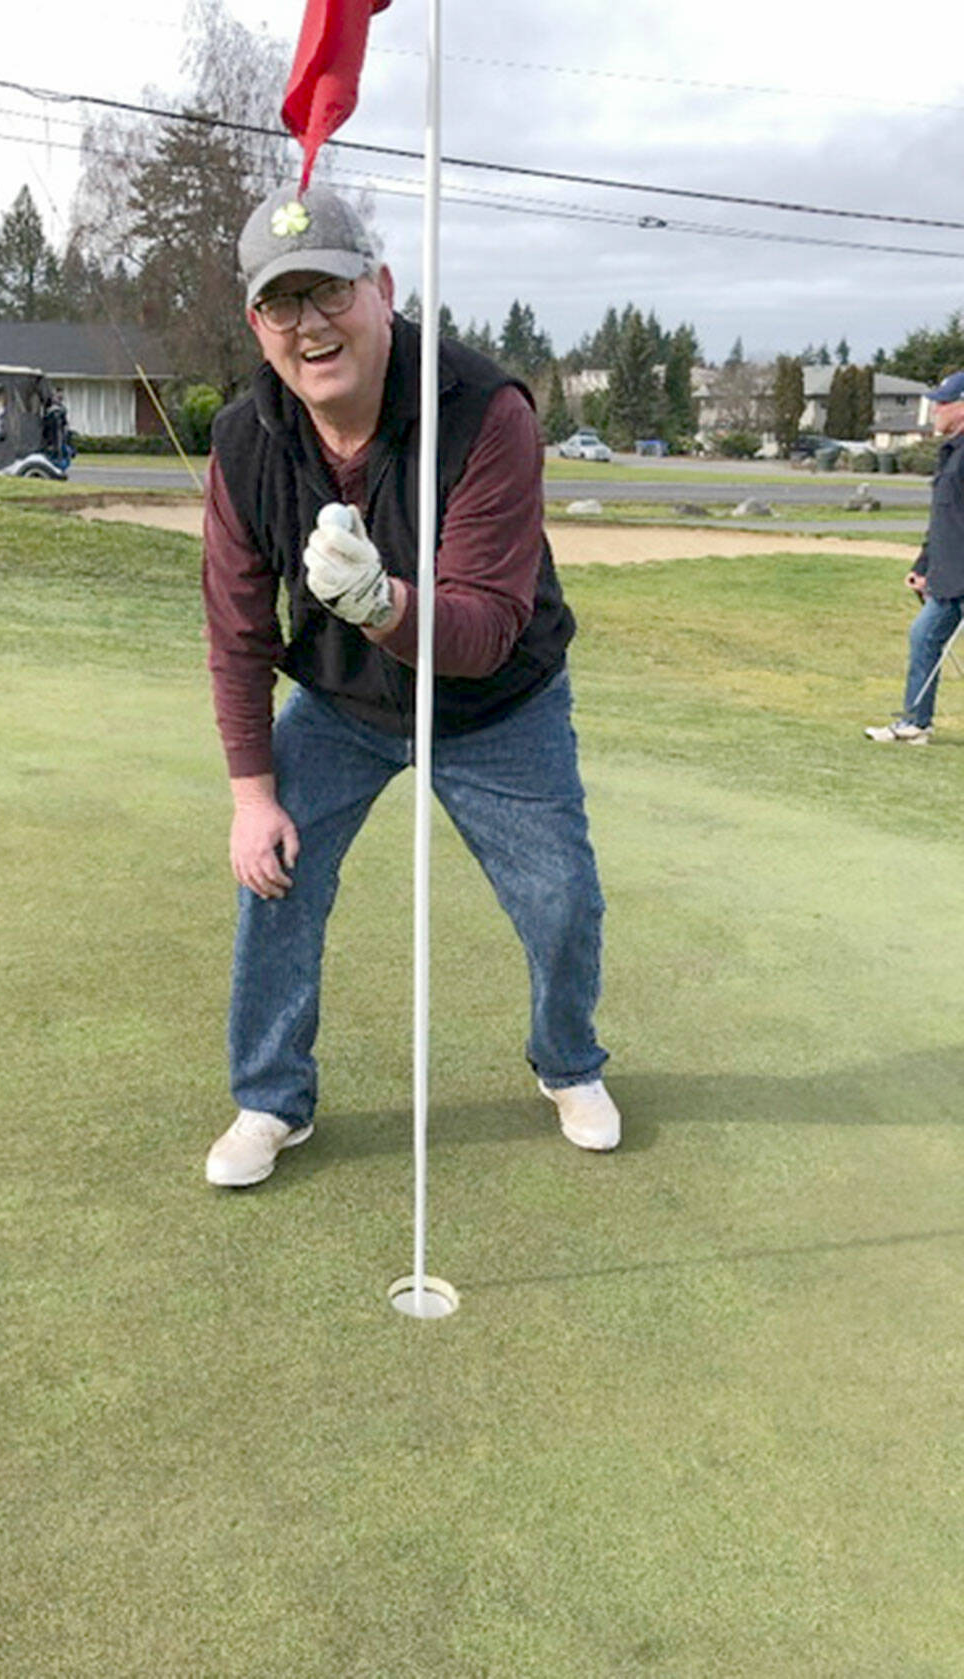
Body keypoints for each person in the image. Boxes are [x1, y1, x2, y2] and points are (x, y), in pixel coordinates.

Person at [201, 184, 620, 1188]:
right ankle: (269, 1099)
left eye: (329, 293)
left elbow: (478, 632)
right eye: (280, 304)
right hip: (342, 707)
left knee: (559, 899)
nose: (309, 326)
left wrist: (381, 601)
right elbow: (236, 628)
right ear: (257, 326)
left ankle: (566, 1062)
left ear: (380, 289)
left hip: (495, 706)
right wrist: (251, 795)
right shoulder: (245, 441)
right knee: (273, 877)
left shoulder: (483, 411)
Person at [865, 370, 964, 744]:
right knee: (923, 636)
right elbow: (945, 519)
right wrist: (923, 567)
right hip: (949, 575)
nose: (935, 409)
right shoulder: (951, 452)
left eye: (943, 402)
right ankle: (916, 723)